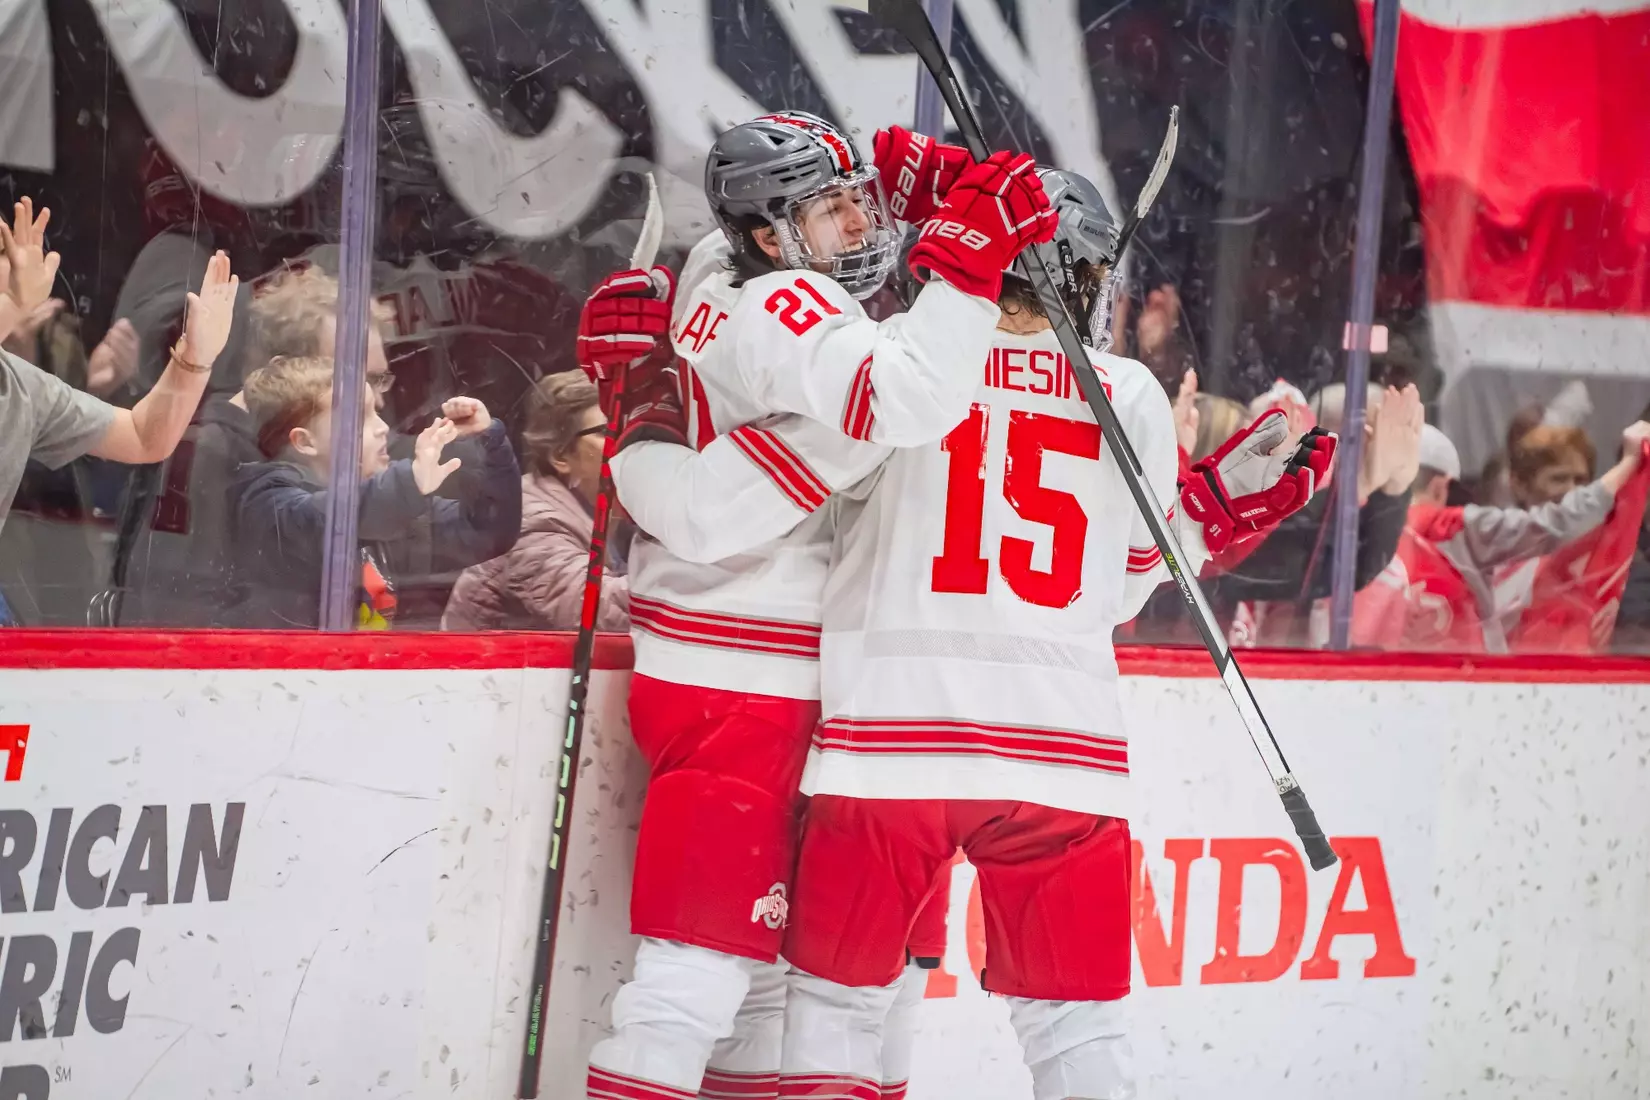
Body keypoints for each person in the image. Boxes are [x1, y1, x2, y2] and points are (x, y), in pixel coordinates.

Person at [595, 161, 1332, 1099]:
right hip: (1064, 757)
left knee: (833, 1011)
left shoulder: (908, 368)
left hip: (888, 750)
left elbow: (762, 507)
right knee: (1077, 1031)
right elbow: (1121, 589)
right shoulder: (1131, 395)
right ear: (1088, 277)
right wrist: (1214, 509)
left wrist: (650, 407)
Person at [576, 114, 1054, 1100]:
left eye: (853, 198)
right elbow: (909, 399)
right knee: (694, 982)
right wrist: (960, 258)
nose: (855, 220)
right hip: (744, 678)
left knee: (770, 987)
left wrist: (913, 227)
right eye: (827, 209)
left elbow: (742, 469)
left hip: (752, 670)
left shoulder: (719, 261)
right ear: (769, 240)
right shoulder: (785, 303)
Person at [116, 264, 397, 626]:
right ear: (283, 370)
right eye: (351, 379)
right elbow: (177, 613)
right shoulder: (209, 455)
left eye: (379, 380)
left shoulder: (322, 456)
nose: (373, 398)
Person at [0, 198, 238, 624]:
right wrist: (13, 304)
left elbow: (145, 437)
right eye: (7, 253)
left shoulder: (22, 386)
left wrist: (195, 358)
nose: (19, 261)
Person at [229, 356, 520, 629]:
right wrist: (409, 483)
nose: (382, 428)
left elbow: (486, 532)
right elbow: (323, 521)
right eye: (361, 417)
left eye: (376, 413)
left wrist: (487, 442)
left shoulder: (384, 505)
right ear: (305, 442)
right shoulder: (268, 505)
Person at [1354, 421, 1650, 652]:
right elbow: (1555, 525)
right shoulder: (1455, 529)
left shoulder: (1349, 535)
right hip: (1469, 688)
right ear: (1440, 487)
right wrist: (1629, 465)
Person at [441, 371, 630, 632]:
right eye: (610, 430)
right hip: (488, 671)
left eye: (634, 426)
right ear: (560, 455)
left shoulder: (619, 514)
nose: (631, 441)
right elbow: (602, 610)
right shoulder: (527, 520)